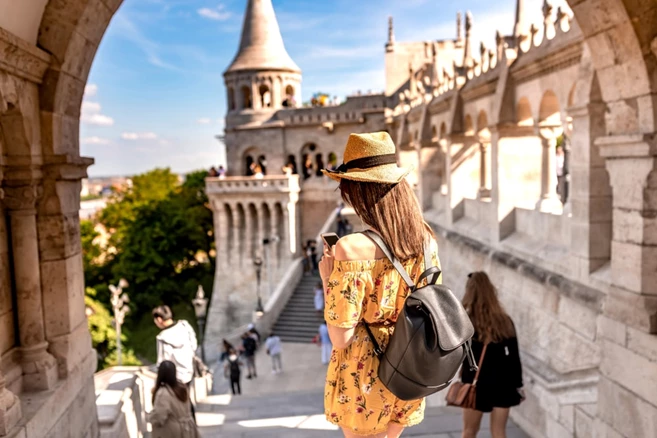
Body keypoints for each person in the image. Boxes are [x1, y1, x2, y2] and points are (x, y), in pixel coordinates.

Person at [318, 131, 440, 437]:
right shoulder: (425, 240)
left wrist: (327, 280)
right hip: (410, 366)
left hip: (364, 375)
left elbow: (340, 337)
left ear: (357, 191)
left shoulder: (350, 249)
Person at [460, 272, 524, 438]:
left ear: (470, 292)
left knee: (469, 431)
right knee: (499, 432)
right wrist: (518, 385)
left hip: (476, 383)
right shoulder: (505, 321)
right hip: (503, 384)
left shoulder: (465, 322)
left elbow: (458, 354)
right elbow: (514, 358)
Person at [149, 361, 199, 438]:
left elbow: (159, 416)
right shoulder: (182, 387)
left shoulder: (163, 393)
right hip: (188, 429)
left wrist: (148, 417)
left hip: (173, 432)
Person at [152, 305, 198, 389]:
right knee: (186, 397)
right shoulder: (185, 325)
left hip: (174, 377)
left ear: (159, 319)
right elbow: (194, 345)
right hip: (189, 371)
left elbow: (163, 362)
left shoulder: (162, 337)